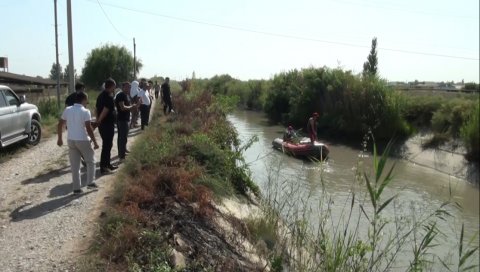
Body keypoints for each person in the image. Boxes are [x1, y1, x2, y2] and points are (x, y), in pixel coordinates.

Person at [57, 92, 99, 194]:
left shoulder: (68, 110)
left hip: (71, 140)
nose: (88, 102)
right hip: (83, 140)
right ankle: (91, 182)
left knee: (75, 165)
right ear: (83, 99)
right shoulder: (85, 111)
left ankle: (76, 188)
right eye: (87, 99)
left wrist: (60, 138)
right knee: (91, 161)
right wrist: (95, 142)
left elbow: (60, 124)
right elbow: (88, 129)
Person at [95, 78, 118, 174]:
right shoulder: (108, 97)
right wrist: (99, 121)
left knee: (108, 145)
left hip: (103, 124)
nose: (115, 88)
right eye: (114, 86)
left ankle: (108, 164)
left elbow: (96, 109)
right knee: (106, 146)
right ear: (112, 86)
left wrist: (97, 120)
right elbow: (105, 110)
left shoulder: (100, 95)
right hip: (107, 125)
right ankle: (104, 167)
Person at [115, 82, 135, 162]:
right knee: (122, 138)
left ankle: (123, 151)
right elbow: (122, 107)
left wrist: (134, 106)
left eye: (129, 87)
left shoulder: (126, 95)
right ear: (122, 87)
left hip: (125, 119)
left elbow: (128, 105)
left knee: (123, 137)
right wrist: (131, 107)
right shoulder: (121, 95)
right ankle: (121, 157)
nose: (128, 89)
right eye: (127, 87)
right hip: (122, 119)